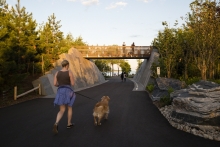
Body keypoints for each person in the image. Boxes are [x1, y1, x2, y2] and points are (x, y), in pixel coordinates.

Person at [53, 60, 76, 134]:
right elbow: (72, 83)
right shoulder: (69, 72)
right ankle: (69, 124)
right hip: (68, 91)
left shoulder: (57, 73)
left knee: (62, 110)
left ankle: (56, 123)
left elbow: (54, 84)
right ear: (67, 65)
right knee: (69, 107)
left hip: (60, 91)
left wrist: (60, 85)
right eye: (68, 65)